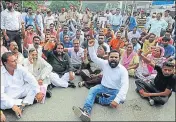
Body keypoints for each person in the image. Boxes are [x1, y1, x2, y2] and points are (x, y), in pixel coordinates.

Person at [72, 39, 129, 121]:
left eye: (116, 57)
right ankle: (86, 111)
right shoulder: (105, 63)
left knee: (122, 98)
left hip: (115, 90)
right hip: (103, 87)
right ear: (108, 58)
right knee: (92, 89)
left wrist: (116, 100)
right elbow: (94, 58)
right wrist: (91, 47)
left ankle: (98, 99)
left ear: (119, 58)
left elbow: (125, 86)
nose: (113, 59)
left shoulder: (123, 70)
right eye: (111, 57)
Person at [1, 52, 44, 118]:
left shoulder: (19, 67)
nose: (16, 63)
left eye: (16, 60)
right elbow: (1, 94)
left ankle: (23, 104)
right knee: (1, 103)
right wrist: (12, 105)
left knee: (32, 87)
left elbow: (31, 79)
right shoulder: (1, 74)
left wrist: (38, 92)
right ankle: (27, 101)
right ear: (5, 63)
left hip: (21, 90)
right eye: (13, 61)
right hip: (9, 95)